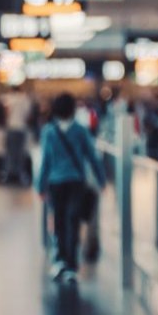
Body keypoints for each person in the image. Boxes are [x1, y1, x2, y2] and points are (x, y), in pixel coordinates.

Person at [37, 93, 106, 283]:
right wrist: (101, 180)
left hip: (56, 183)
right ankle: (71, 264)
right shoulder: (80, 131)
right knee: (72, 220)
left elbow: (46, 161)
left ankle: (60, 260)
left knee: (58, 220)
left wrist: (40, 186)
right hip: (76, 182)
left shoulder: (49, 132)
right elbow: (92, 157)